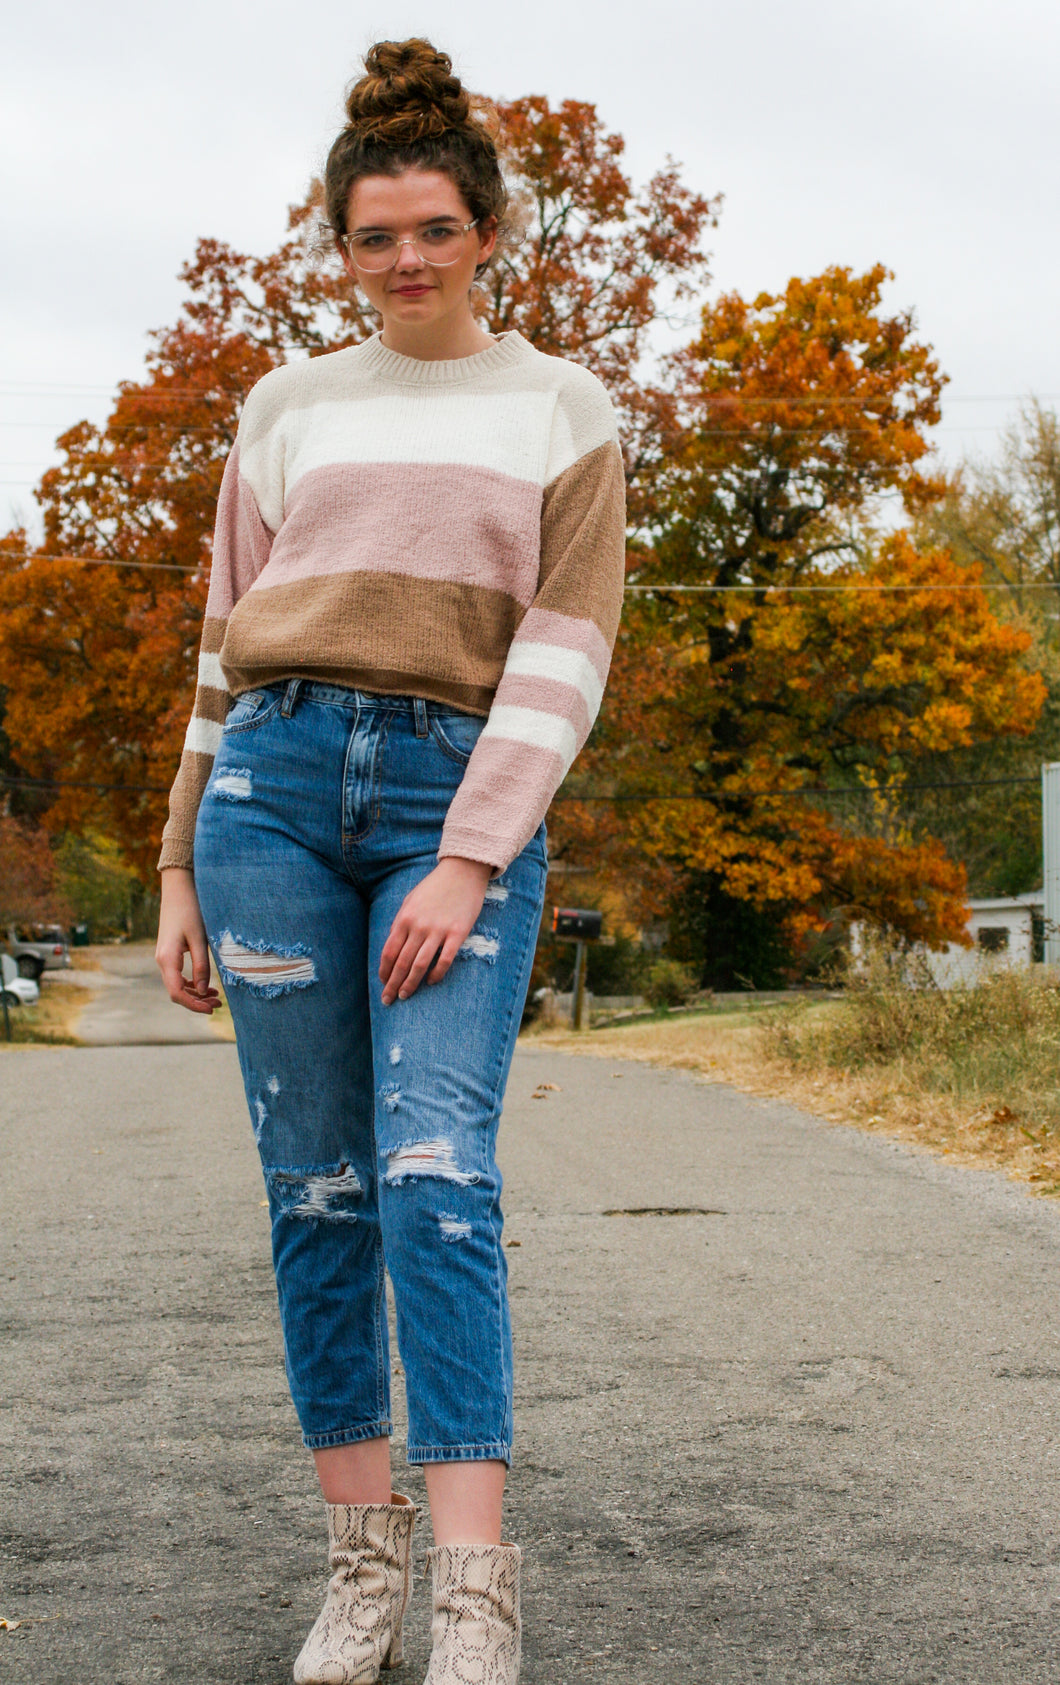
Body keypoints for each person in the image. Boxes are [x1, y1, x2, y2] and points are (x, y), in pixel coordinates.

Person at [155, 37, 626, 1685]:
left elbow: (565, 649)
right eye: (373, 237)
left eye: (433, 228)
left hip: (451, 800)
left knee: (436, 1178)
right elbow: (222, 646)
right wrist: (174, 870)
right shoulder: (286, 408)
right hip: (270, 797)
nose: (404, 260)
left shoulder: (565, 406)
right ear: (338, 247)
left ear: (487, 230)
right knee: (318, 1191)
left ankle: (473, 1588)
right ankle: (361, 1568)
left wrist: (472, 858)